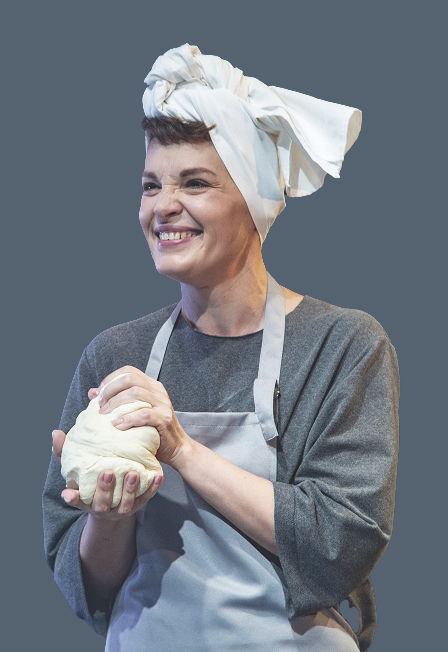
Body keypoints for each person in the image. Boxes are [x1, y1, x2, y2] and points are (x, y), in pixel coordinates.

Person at [43, 45, 399, 652]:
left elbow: (339, 545)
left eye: (195, 183)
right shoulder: (115, 355)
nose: (163, 206)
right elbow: (89, 588)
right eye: (151, 185)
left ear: (254, 203)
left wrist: (180, 448)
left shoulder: (341, 346)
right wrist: (108, 514)